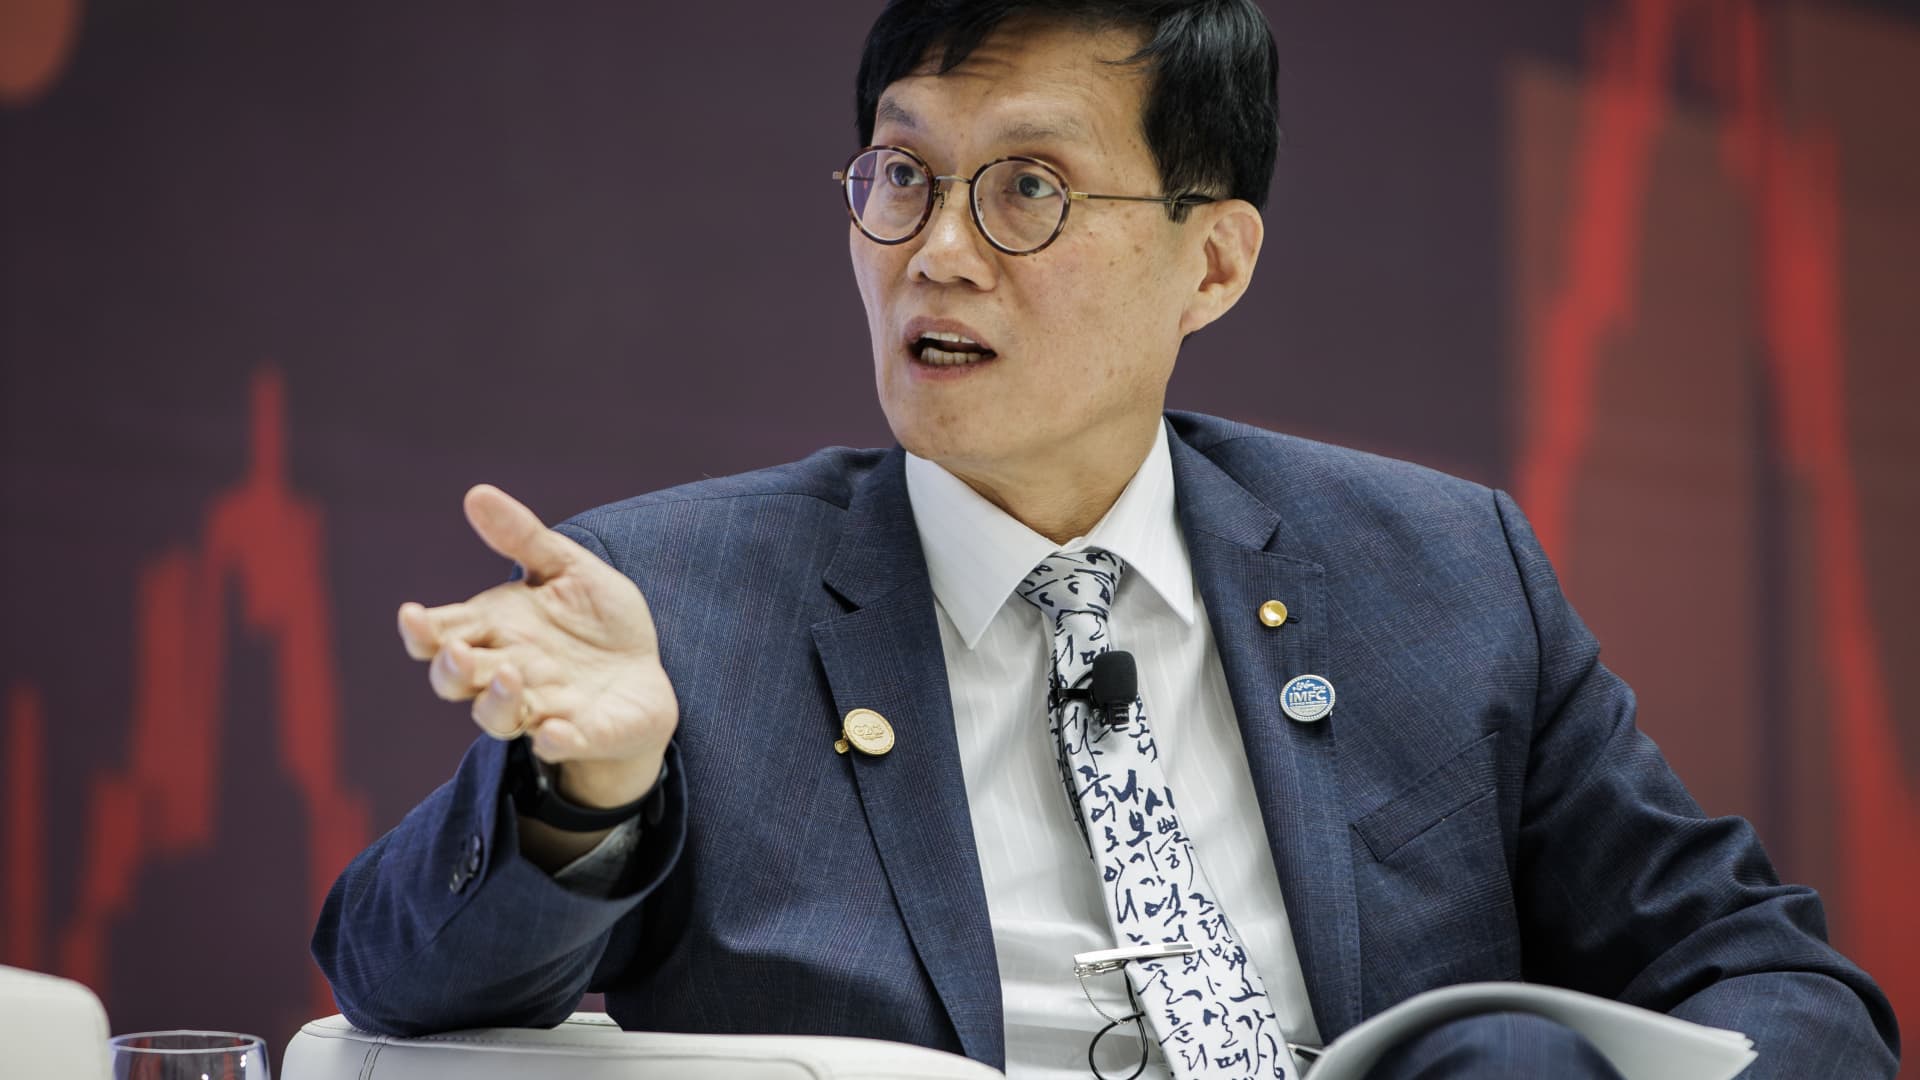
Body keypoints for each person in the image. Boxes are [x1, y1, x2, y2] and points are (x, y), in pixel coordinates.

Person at [310, 2, 1900, 1077]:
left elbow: (1770, 980)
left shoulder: (1439, 575)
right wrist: (585, 799)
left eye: (1028, 190)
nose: (937, 251)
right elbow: (392, 984)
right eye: (902, 175)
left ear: (1213, 264)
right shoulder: (677, 601)